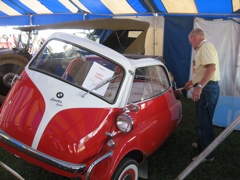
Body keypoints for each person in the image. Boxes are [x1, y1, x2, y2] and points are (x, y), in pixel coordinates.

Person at [184, 28, 220, 161]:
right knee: (201, 120)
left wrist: (199, 87)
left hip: (207, 89)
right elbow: (202, 70)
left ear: (194, 37)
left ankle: (208, 155)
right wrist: (192, 82)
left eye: (190, 41)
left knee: (204, 122)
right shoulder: (201, 49)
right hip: (206, 88)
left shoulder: (206, 46)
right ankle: (202, 146)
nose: (190, 44)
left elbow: (211, 68)